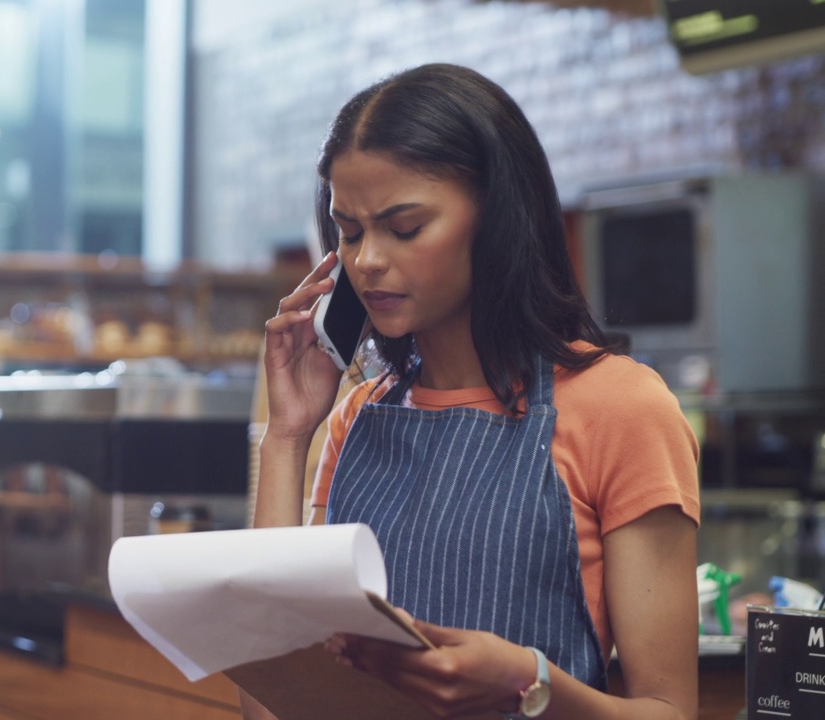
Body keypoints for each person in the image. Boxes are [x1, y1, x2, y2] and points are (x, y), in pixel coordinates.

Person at [248, 63, 699, 720]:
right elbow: (273, 702)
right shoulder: (356, 418)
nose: (368, 259)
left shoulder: (622, 408)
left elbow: (670, 711)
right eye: (349, 232)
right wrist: (289, 437)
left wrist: (531, 683)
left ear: (497, 220)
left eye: (404, 227)